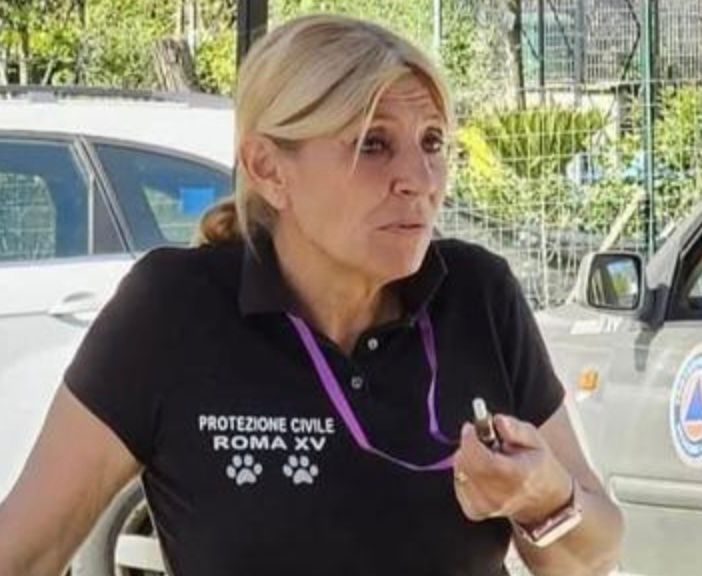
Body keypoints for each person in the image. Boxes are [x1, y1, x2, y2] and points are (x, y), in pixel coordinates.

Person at [0, 13, 622, 576]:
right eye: (372, 144)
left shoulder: (478, 296)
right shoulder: (173, 310)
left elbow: (592, 558)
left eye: (432, 142)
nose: (419, 179)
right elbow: (23, 551)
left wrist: (543, 495)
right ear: (268, 169)